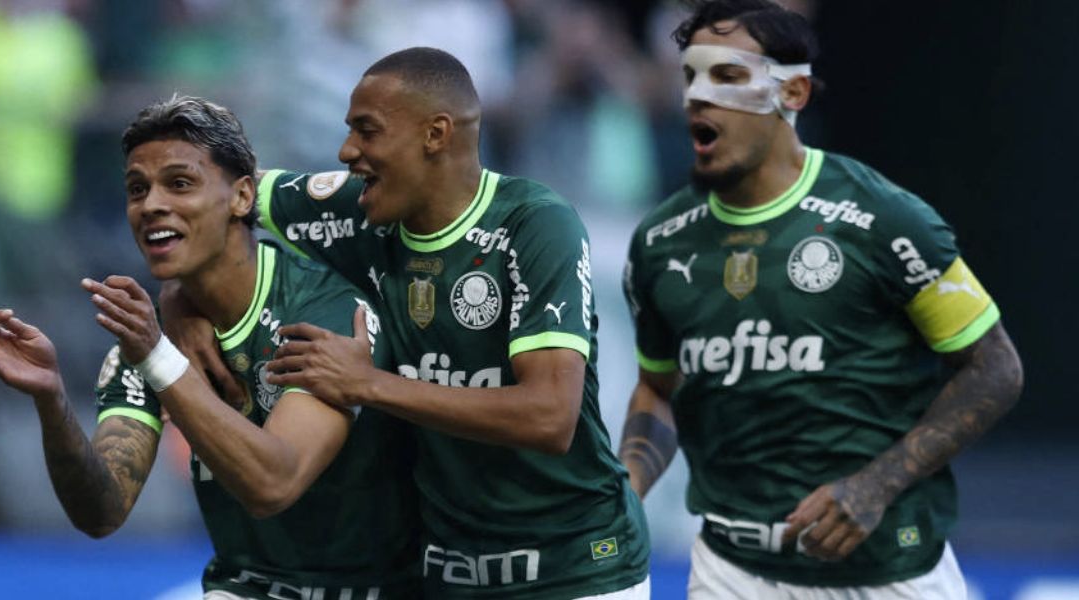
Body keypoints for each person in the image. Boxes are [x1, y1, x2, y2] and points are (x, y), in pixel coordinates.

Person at [171, 47, 650, 599]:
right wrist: (180, 298)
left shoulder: (536, 225)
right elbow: (216, 201)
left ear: (435, 134)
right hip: (443, 577)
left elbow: (549, 417)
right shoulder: (354, 208)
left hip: (578, 571)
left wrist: (369, 385)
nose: (347, 151)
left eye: (367, 131)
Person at [616, 0, 1024, 597]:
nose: (698, 96)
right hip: (730, 568)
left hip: (884, 567)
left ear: (794, 94)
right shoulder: (657, 244)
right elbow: (659, 389)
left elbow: (997, 369)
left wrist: (875, 486)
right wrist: (625, 491)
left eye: (727, 75)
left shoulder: (883, 218)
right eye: (689, 76)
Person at [0, 96, 420, 599]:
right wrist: (51, 399)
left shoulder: (324, 309)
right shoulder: (148, 336)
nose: (152, 204)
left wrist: (159, 358)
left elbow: (275, 483)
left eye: (180, 183)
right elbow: (101, 512)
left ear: (242, 197)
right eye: (138, 189)